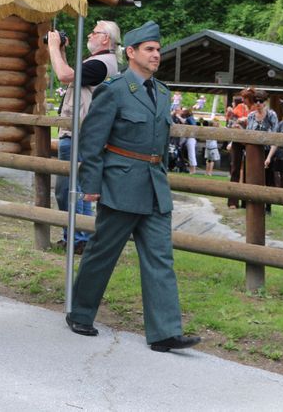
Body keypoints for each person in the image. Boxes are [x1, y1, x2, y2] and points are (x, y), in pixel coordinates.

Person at [65, 21, 200, 352]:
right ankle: (80, 312)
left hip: (154, 186)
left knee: (160, 257)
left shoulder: (163, 93)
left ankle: (165, 332)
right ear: (131, 53)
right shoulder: (114, 89)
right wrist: (91, 184)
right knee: (103, 251)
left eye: (158, 50)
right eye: (150, 50)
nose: (156, 55)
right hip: (120, 183)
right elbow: (93, 140)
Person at [47, 21, 121, 254]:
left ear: (106, 39)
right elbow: (74, 77)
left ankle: (79, 238)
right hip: (82, 133)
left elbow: (63, 75)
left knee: (71, 189)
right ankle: (77, 237)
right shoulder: (101, 63)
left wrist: (51, 46)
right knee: (73, 188)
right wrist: (60, 50)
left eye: (95, 31)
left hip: (79, 133)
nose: (89, 34)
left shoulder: (100, 64)